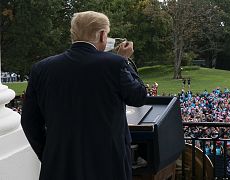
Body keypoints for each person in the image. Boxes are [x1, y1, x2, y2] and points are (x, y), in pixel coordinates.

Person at [21, 11, 147, 180]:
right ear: (102, 35)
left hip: (60, 164)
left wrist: (49, 154)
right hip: (108, 163)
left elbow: (29, 121)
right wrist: (124, 60)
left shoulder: (41, 68)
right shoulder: (115, 64)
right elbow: (139, 96)